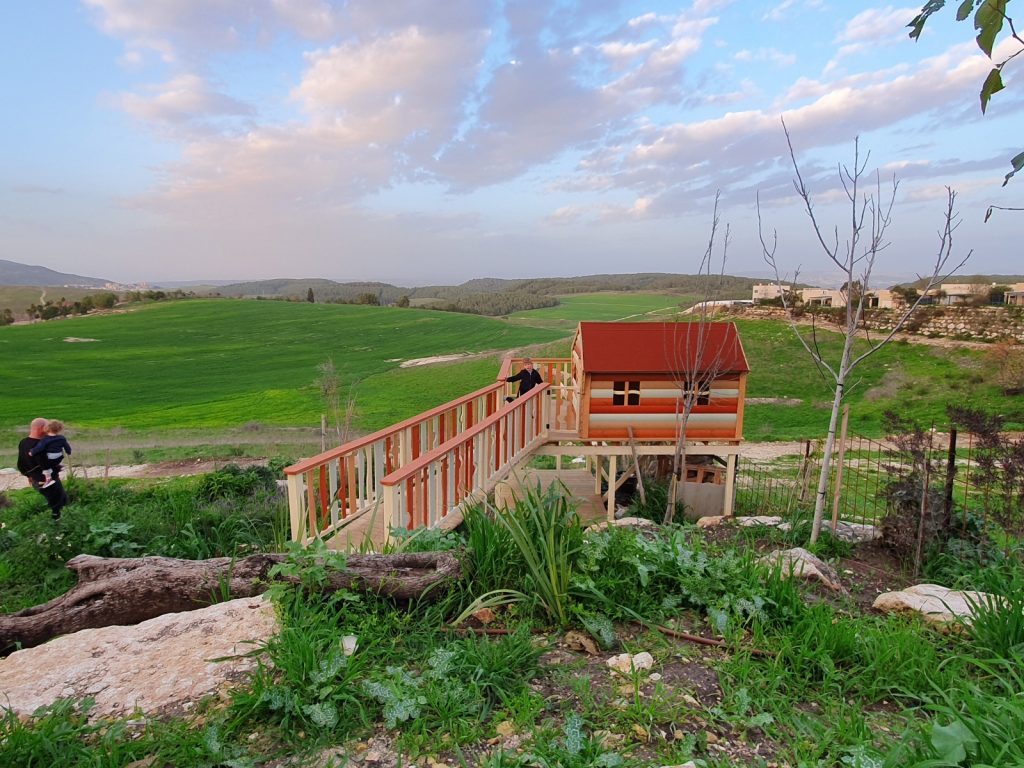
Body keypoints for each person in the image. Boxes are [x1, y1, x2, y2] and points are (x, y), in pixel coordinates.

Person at [17, 417, 69, 520]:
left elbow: (21, 464)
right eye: (47, 428)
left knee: (56, 503)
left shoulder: (23, 443)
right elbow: (45, 465)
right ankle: (57, 528)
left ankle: (55, 524)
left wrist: (29, 475)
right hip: (48, 481)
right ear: (41, 428)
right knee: (59, 505)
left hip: (36, 481)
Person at [30, 419, 72, 488]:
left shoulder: (45, 439)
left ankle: (48, 478)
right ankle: (57, 466)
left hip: (49, 458)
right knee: (52, 462)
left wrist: (32, 452)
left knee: (40, 459)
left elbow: (39, 448)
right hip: (59, 457)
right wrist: (68, 452)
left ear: (47, 428)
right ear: (59, 429)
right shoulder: (62, 438)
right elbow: (67, 447)